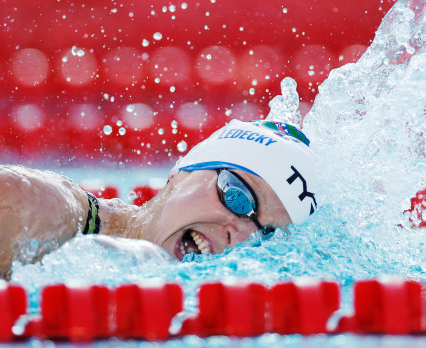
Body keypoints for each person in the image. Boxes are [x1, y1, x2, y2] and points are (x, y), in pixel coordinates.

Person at [0, 119, 317, 279]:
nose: (243, 235)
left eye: (267, 234)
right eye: (237, 197)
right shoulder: (35, 210)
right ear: (181, 173)